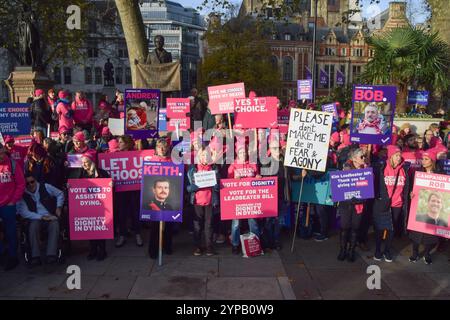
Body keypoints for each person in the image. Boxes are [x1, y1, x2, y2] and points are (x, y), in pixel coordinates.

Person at [16, 173, 64, 266]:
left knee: (54, 224)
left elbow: (60, 194)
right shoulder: (22, 194)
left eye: (32, 182)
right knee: (33, 226)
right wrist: (41, 217)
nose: (30, 185)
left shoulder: (45, 187)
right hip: (35, 217)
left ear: (36, 181)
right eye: (27, 183)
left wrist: (59, 207)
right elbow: (24, 212)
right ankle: (35, 256)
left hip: (49, 215)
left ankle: (51, 254)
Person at [372, 145, 410, 262]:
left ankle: (387, 250)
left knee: (391, 228)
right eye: (396, 155)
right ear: (391, 156)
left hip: (397, 204)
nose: (399, 158)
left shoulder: (404, 169)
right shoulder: (382, 168)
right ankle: (378, 249)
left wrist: (411, 193)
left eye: (400, 155)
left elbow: (408, 186)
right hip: (382, 203)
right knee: (379, 228)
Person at [73, 150, 111, 261]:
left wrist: (110, 185)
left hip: (101, 206)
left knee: (100, 228)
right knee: (90, 229)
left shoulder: (102, 173)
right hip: (87, 205)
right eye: (82, 162)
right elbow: (75, 186)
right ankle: (93, 250)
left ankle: (102, 250)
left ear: (92, 162)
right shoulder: (81, 173)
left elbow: (109, 189)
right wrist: (70, 186)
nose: (83, 164)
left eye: (86, 162)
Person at [409, 151, 442, 265]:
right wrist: (411, 194)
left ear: (432, 161)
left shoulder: (440, 174)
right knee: (416, 232)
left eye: (426, 159)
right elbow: (413, 188)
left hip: (433, 210)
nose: (423, 161)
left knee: (430, 234)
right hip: (419, 207)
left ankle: (427, 253)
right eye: (423, 159)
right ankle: (414, 252)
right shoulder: (418, 173)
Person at [227, 143, 261, 255]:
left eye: (244, 152)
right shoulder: (233, 166)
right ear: (237, 153)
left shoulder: (253, 164)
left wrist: (258, 177)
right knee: (236, 223)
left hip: (250, 199)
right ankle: (235, 244)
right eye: (241, 152)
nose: (243, 154)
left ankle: (255, 244)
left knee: (253, 221)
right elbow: (227, 183)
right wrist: (233, 179)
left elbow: (258, 178)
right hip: (237, 199)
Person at [187, 146, 220, 256]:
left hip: (210, 201)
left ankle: (209, 247)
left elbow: (219, 186)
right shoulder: (193, 169)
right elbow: (187, 187)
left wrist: (215, 185)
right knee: (197, 226)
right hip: (196, 201)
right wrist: (193, 187)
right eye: (201, 155)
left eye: (206, 154)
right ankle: (197, 247)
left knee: (209, 225)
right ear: (198, 157)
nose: (204, 157)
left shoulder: (214, 168)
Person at [337, 147, 367, 262]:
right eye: (361, 157)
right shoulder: (346, 168)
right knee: (344, 227)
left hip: (359, 204)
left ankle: (351, 251)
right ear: (354, 159)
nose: (364, 158)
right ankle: (342, 250)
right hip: (346, 204)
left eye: (364, 156)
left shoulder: (366, 169)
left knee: (355, 228)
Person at [0, 143, 26, 270]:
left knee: (11, 232)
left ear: (4, 151)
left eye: (1, 153)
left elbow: (21, 184)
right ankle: (2, 252)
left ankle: (12, 257)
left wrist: (13, 200)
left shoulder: (12, 164)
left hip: (9, 204)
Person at [115, 135, 143, 248]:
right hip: (121, 190)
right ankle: (122, 235)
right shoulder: (115, 155)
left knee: (135, 212)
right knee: (122, 213)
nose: (119, 144)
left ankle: (137, 234)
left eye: (121, 142)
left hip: (134, 189)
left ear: (127, 144)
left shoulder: (136, 154)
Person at [148, 138, 173, 259]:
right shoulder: (152, 161)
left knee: (168, 223)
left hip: (169, 196)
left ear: (168, 148)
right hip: (155, 198)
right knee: (155, 225)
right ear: (156, 149)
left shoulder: (173, 161)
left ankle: (167, 246)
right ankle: (153, 249)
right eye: (159, 147)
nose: (162, 149)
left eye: (164, 147)